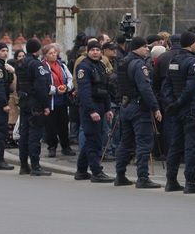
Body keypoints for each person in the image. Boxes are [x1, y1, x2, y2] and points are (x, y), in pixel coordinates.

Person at [114, 36, 162, 189]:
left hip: (125, 106)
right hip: (138, 107)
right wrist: (155, 107)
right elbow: (145, 88)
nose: (147, 49)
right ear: (137, 48)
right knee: (144, 143)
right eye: (144, 47)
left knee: (126, 142)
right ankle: (142, 177)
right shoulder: (139, 64)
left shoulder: (123, 62)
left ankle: (120, 175)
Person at [163, 31, 195, 194]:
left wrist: (171, 103)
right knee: (191, 147)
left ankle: (171, 180)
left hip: (176, 110)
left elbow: (166, 84)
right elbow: (191, 87)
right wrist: (179, 102)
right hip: (190, 109)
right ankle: (191, 181)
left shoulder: (173, 60)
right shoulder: (192, 62)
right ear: (190, 44)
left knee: (175, 145)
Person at [74, 41, 114, 183]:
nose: (95, 52)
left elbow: (105, 89)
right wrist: (91, 111)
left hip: (100, 106)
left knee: (93, 139)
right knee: (94, 141)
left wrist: (108, 109)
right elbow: (84, 92)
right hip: (90, 108)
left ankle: (81, 170)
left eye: (98, 50)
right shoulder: (84, 67)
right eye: (93, 50)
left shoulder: (101, 65)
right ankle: (96, 172)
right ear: (88, 51)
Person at [16, 38, 52, 176]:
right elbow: (41, 87)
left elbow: (19, 85)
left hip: (24, 102)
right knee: (35, 135)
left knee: (24, 135)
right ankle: (36, 166)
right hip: (35, 104)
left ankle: (24, 166)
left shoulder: (21, 63)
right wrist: (46, 105)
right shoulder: (36, 65)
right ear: (37, 50)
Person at [41, 44, 74, 158]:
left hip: (63, 101)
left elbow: (70, 79)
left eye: (54, 53)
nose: (53, 55)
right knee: (51, 126)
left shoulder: (62, 66)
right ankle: (52, 148)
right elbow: (43, 85)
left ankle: (66, 147)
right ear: (45, 56)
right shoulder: (43, 68)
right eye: (50, 53)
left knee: (64, 125)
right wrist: (55, 90)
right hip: (50, 102)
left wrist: (66, 87)